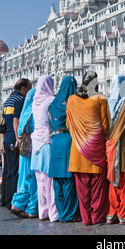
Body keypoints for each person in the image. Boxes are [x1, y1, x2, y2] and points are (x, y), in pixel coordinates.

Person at [66, 72, 110, 226]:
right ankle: (97, 218)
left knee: (82, 188)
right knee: (97, 186)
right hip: (96, 149)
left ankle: (86, 219)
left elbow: (68, 124)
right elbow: (105, 125)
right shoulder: (100, 98)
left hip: (78, 149)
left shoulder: (71, 99)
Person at [106, 74, 125, 225]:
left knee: (113, 180)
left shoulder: (107, 103)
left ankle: (112, 214)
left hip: (110, 148)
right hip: (124, 146)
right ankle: (124, 214)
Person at [48, 76, 80, 223]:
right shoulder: (73, 103)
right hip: (68, 141)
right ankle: (70, 214)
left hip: (55, 143)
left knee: (58, 181)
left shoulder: (54, 103)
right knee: (68, 181)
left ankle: (61, 213)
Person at [30, 75, 59, 222]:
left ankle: (43, 212)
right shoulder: (51, 101)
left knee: (40, 180)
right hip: (47, 142)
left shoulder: (35, 102)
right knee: (50, 181)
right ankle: (54, 213)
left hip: (36, 142)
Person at [2, 78, 32, 209]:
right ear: (23, 88)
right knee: (14, 172)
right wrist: (18, 139)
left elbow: (3, 123)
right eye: (29, 88)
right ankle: (12, 202)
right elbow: (16, 121)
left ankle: (5, 199)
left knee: (7, 171)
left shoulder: (7, 101)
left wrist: (2, 141)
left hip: (7, 138)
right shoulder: (20, 100)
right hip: (13, 139)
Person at [10, 88, 38, 219]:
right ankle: (27, 207)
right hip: (31, 151)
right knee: (31, 179)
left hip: (24, 152)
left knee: (23, 178)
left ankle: (18, 203)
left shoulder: (24, 113)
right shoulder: (34, 111)